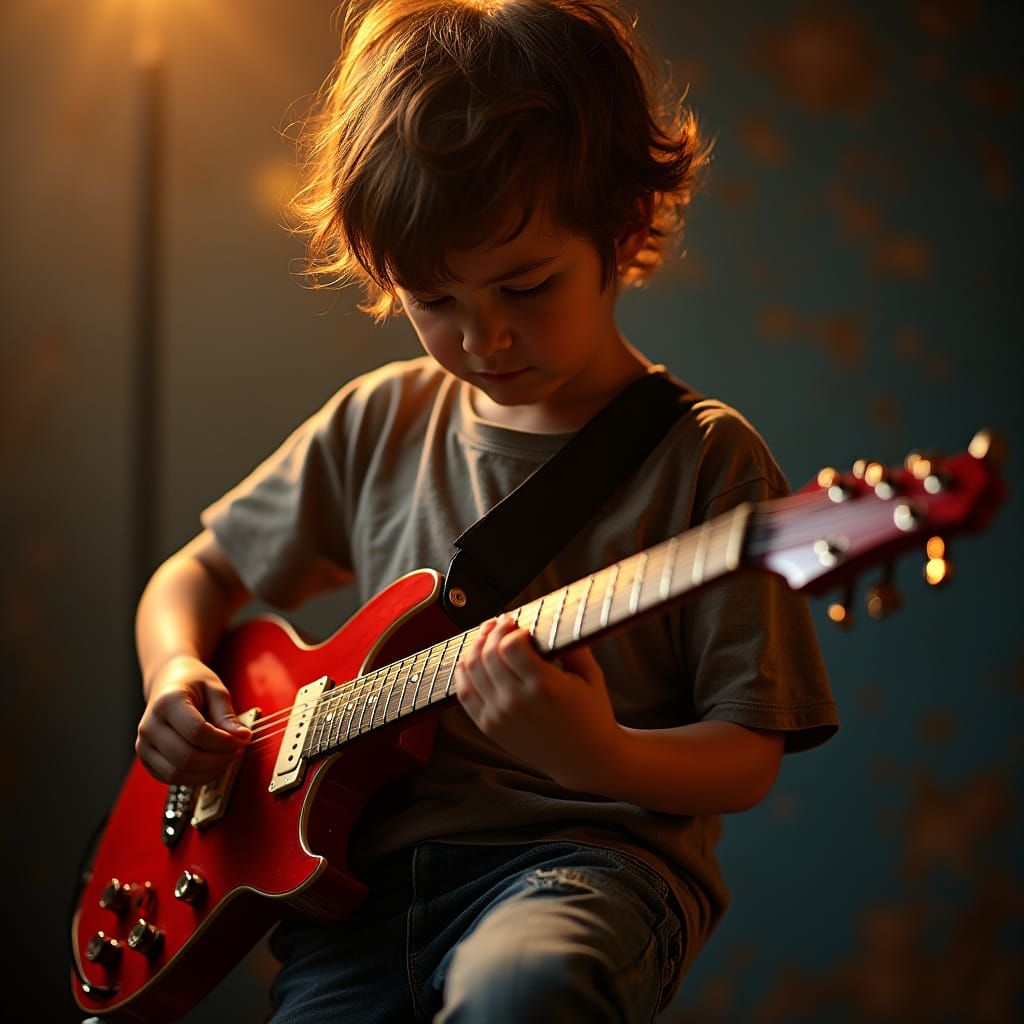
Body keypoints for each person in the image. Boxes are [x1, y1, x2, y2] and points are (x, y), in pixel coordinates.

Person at [133, 1, 840, 1020]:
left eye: (527, 285)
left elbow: (747, 754)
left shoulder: (706, 461)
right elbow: (194, 576)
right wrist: (175, 673)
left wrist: (598, 754)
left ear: (622, 227)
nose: (483, 338)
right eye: (435, 301)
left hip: (584, 865)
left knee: (522, 989)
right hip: (355, 898)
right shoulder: (378, 420)